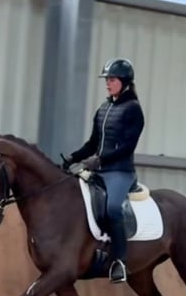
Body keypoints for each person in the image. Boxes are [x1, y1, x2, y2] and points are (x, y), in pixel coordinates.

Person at [62, 58, 145, 284]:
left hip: (120, 172)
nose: (108, 83)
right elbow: (92, 143)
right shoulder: (104, 109)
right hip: (99, 170)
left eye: (112, 79)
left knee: (113, 209)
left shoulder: (134, 110)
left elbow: (127, 147)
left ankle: (119, 261)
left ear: (124, 81)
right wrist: (73, 157)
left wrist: (98, 160)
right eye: (107, 79)